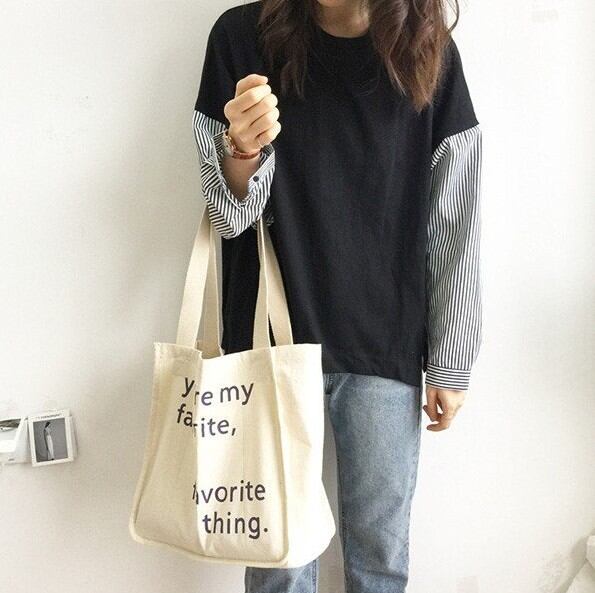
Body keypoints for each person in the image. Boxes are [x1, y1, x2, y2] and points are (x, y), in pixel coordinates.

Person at [192, 0, 482, 591]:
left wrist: (451, 361)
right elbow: (229, 218)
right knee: (278, 563)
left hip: (385, 340)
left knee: (379, 559)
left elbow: (454, 223)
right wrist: (242, 153)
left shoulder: (428, 51)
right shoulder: (242, 37)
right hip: (269, 340)